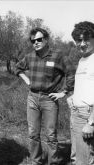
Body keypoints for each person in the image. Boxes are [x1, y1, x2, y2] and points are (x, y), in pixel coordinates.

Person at [14, 27, 75, 165]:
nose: (36, 42)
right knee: (33, 133)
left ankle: (52, 162)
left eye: (39, 39)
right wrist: (27, 80)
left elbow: (71, 73)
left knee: (51, 135)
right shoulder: (30, 56)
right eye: (33, 40)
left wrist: (63, 92)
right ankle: (36, 161)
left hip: (49, 100)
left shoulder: (58, 56)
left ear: (46, 40)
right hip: (32, 98)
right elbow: (17, 68)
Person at [67, 21, 94, 165]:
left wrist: (91, 122)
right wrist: (73, 97)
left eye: (86, 40)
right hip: (76, 113)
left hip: (88, 115)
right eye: (78, 40)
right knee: (77, 157)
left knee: (85, 160)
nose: (82, 44)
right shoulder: (83, 59)